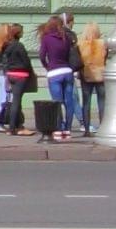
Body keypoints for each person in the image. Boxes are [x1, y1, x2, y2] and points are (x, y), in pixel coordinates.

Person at [37, 13, 80, 142]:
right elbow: (69, 55)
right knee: (69, 102)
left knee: (57, 103)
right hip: (67, 71)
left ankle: (59, 129)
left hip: (54, 73)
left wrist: (47, 66)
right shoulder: (66, 38)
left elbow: (41, 56)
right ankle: (67, 130)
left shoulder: (46, 38)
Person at [0, 23, 38, 136]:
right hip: (20, 75)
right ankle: (13, 128)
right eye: (22, 31)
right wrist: (31, 73)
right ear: (18, 34)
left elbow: (4, 61)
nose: (23, 33)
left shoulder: (6, 45)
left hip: (10, 75)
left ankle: (17, 126)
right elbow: (26, 61)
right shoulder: (19, 46)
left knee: (15, 100)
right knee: (16, 102)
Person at [75, 19, 107, 136]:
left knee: (86, 102)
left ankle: (87, 130)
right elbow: (105, 57)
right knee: (102, 101)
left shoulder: (80, 44)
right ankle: (103, 128)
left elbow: (78, 60)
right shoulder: (103, 43)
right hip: (100, 75)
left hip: (86, 74)